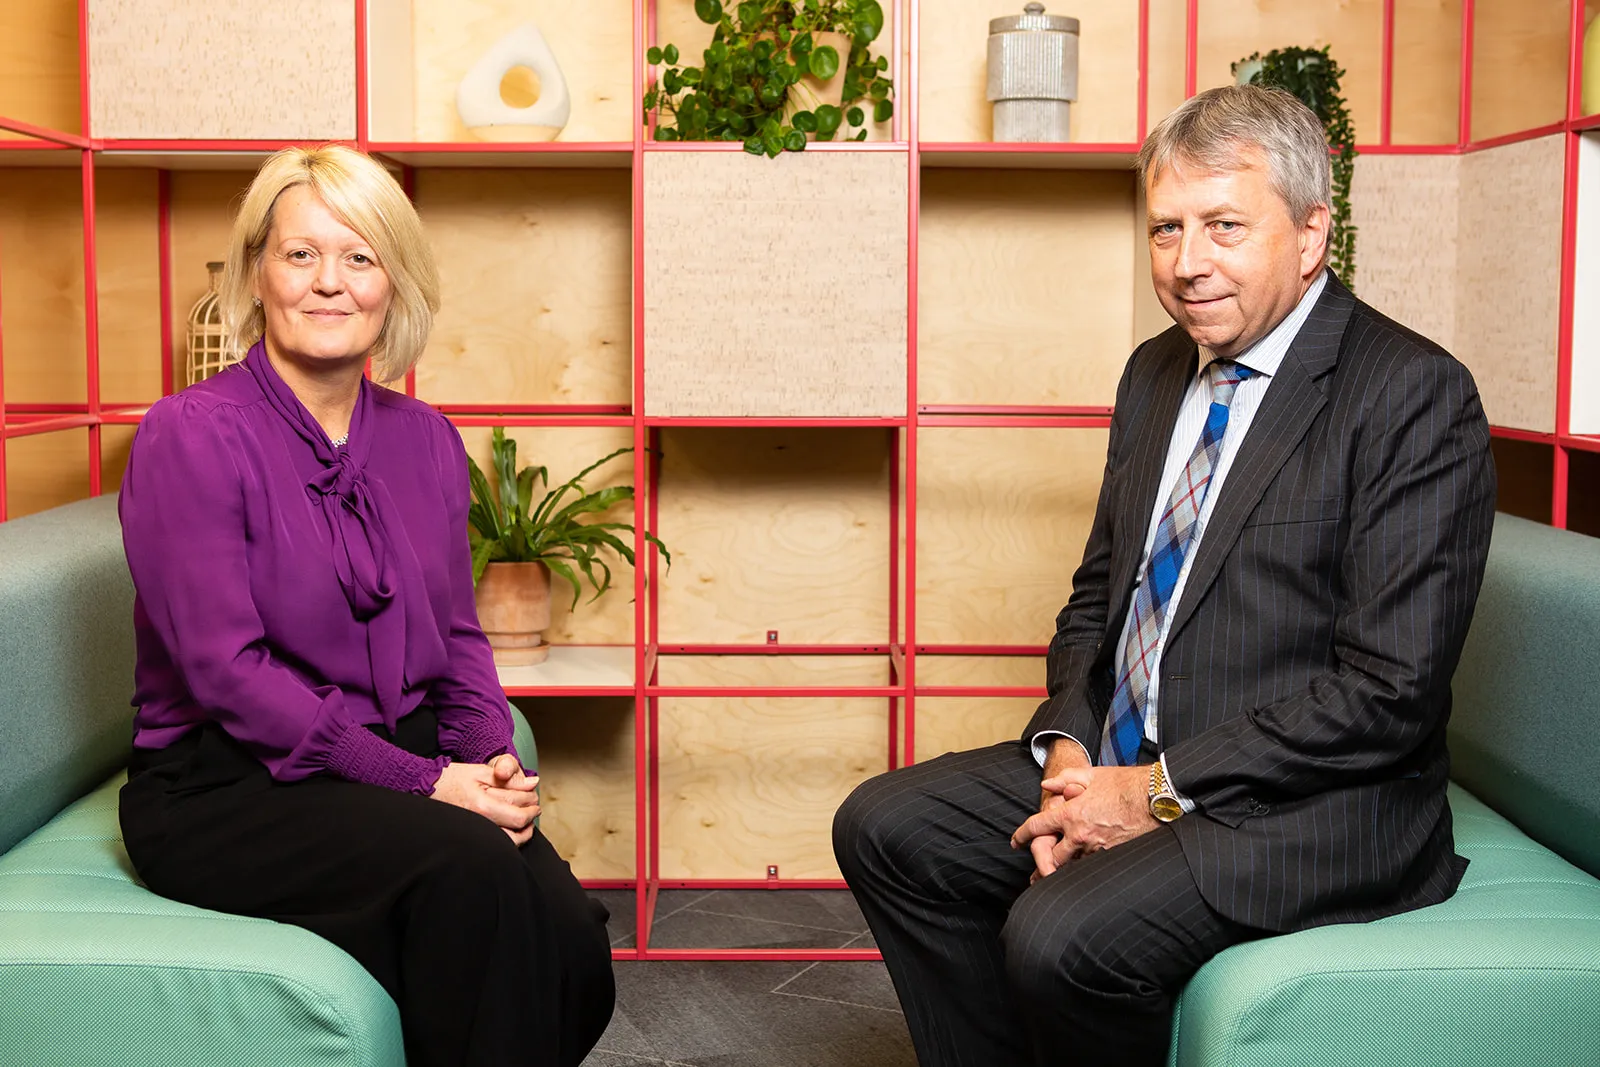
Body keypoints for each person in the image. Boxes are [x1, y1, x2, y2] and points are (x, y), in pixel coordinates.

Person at [834, 85, 1496, 1067]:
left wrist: (1153, 789)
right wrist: (1067, 752)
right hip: (1126, 754)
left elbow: (1386, 695)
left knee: (1058, 934)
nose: (1187, 265)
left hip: (1307, 802)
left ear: (1312, 232)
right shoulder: (1153, 372)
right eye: (1165, 230)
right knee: (888, 827)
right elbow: (1098, 594)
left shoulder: (1410, 393)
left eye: (1224, 226)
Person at [117, 144, 615, 1067]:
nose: (328, 283)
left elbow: (457, 632)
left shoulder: (425, 440)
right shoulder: (187, 436)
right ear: (257, 273)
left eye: (359, 257)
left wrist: (485, 754)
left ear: (396, 284)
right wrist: (428, 784)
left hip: (391, 747)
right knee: (470, 880)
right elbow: (228, 674)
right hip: (224, 784)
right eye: (300, 254)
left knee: (576, 945)